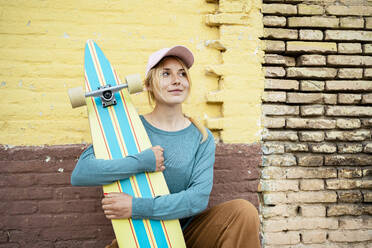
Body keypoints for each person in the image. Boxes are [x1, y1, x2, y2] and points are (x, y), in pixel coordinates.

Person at [71, 45, 260, 248]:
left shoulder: (201, 137)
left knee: (243, 211)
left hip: (187, 234)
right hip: (141, 235)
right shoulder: (128, 128)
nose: (177, 80)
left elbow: (197, 200)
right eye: (166, 74)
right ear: (148, 85)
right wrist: (141, 162)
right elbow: (81, 173)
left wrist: (136, 207)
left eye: (182, 74)